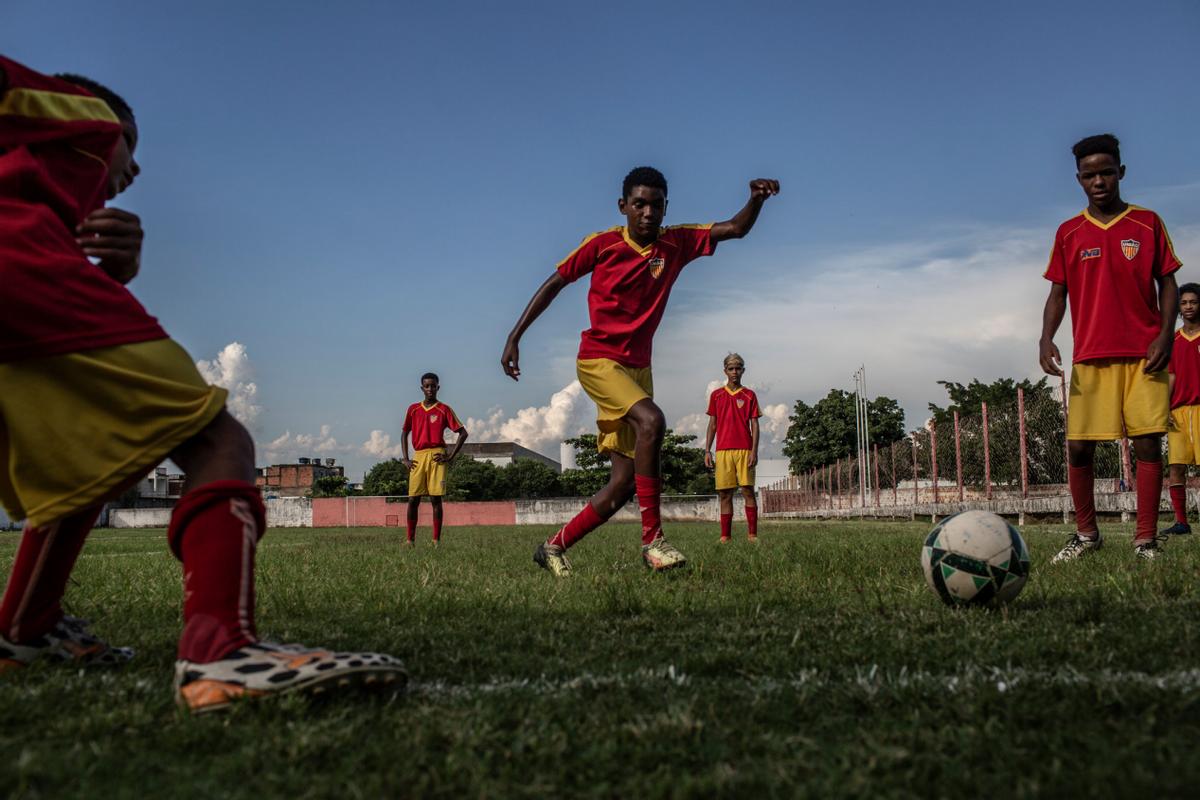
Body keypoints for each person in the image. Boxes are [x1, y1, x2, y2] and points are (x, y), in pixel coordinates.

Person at [0, 56, 405, 711]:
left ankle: (22, 630)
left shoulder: (36, 181)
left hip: (28, 286)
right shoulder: (86, 114)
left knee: (93, 458)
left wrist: (112, 270)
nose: (132, 169)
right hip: (22, 273)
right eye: (131, 145)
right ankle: (221, 649)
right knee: (217, 440)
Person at [502, 167, 780, 576]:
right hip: (598, 361)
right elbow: (554, 283)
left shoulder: (677, 242)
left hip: (637, 370)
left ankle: (552, 547)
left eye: (657, 204)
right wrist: (515, 335)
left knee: (622, 485)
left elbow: (736, 228)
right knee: (653, 420)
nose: (648, 212)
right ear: (623, 207)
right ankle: (653, 541)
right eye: (640, 204)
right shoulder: (603, 245)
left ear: (666, 207)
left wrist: (756, 200)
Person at [1039, 133, 1182, 562]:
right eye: (1089, 175)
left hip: (1144, 353)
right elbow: (1058, 293)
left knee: (1147, 442)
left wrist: (1164, 333)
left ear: (1121, 172)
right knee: (1079, 445)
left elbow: (1169, 284)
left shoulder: (1147, 223)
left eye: (1106, 172)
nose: (1098, 180)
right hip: (1091, 354)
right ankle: (1087, 534)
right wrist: (1046, 337)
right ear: (1079, 180)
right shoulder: (1069, 232)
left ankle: (1145, 540)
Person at [400, 373, 468, 545]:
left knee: (435, 499)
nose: (430, 389)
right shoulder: (413, 409)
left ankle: (436, 540)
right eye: (427, 386)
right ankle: (410, 540)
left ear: (438, 387)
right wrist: (406, 458)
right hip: (419, 456)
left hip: (437, 455)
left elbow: (463, 433)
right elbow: (404, 432)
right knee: (413, 499)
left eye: (433, 386)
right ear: (422, 388)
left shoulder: (444, 409)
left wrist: (450, 456)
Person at [704, 354, 762, 542]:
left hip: (745, 450)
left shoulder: (749, 395)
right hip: (722, 451)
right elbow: (712, 424)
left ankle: (752, 534)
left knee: (747, 490)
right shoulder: (717, 395)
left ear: (743, 370)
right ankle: (725, 536)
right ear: (725, 371)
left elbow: (755, 425)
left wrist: (754, 451)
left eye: (738, 368)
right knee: (725, 494)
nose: (735, 372)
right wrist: (707, 450)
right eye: (731, 368)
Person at [1162, 283, 1200, 535]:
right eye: (1184, 303)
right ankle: (1181, 522)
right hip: (1178, 412)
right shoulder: (1173, 340)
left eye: (1193, 302)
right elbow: (1171, 376)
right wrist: (1164, 408)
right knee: (1176, 466)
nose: (1188, 307)